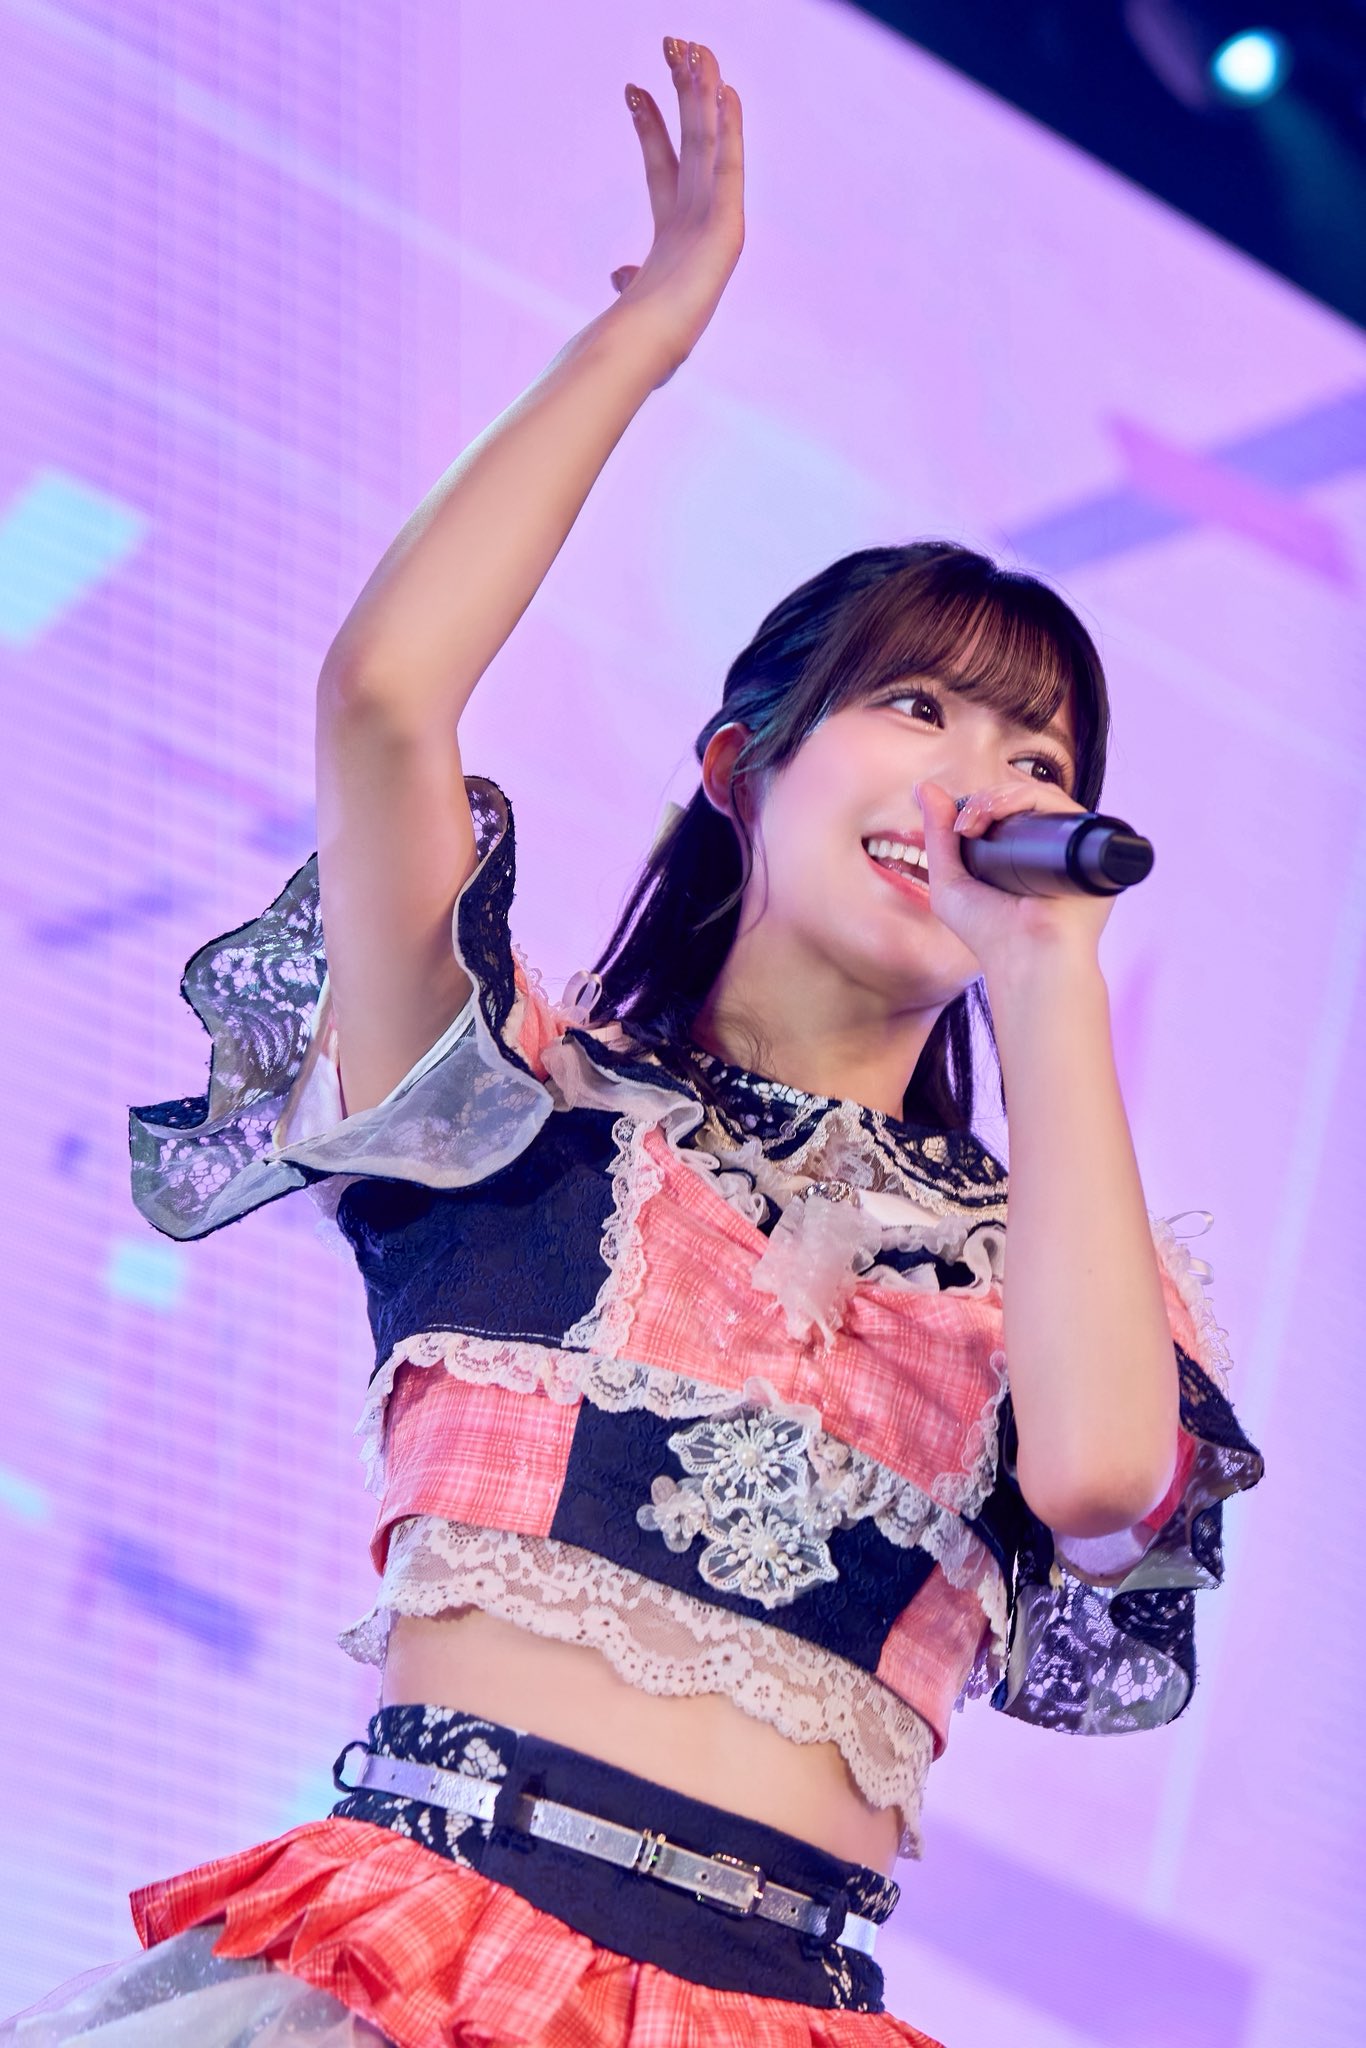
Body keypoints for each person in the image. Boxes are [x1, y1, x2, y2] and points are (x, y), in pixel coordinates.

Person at [2, 33, 1261, 2048]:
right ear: (739, 768)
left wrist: (1045, 982)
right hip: (416, 1965)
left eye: (1034, 754)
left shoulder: (1043, 1264)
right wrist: (639, 341)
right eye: (916, 709)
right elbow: (384, 702)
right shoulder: (519, 1101)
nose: (979, 778)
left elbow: (1108, 1475)